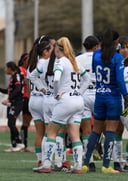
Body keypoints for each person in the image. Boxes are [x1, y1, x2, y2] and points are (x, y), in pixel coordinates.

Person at [33, 36, 90, 174]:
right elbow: (87, 79)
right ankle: (78, 166)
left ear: (58, 49)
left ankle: (46, 165)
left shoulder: (60, 61)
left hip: (65, 102)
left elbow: (57, 79)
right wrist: (79, 92)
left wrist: (57, 93)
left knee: (51, 132)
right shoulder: (74, 61)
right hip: (78, 102)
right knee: (75, 135)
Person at [83, 29, 128, 174]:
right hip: (113, 97)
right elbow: (120, 80)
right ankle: (106, 165)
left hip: (99, 96)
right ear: (116, 42)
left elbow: (94, 71)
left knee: (95, 130)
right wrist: (126, 96)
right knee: (111, 130)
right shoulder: (117, 58)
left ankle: (85, 163)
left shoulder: (96, 55)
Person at [27, 35, 52, 166]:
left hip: (33, 100)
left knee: (39, 133)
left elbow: (28, 82)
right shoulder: (46, 63)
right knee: (50, 133)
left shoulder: (31, 63)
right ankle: (49, 160)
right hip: (44, 100)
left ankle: (39, 159)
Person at [76, 35, 99, 172]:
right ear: (96, 46)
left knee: (86, 130)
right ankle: (113, 161)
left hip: (83, 96)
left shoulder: (78, 59)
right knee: (105, 128)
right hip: (99, 95)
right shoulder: (102, 58)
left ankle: (89, 161)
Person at [113, 36, 128, 171]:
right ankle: (116, 159)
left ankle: (125, 159)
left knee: (122, 129)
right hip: (116, 99)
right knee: (117, 129)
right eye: (123, 47)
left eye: (127, 47)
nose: (125, 50)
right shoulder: (116, 61)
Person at [0, 61, 25, 152]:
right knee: (11, 123)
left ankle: (20, 143)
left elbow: (18, 90)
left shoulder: (17, 76)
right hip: (13, 103)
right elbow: (9, 91)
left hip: (17, 102)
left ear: (10, 68)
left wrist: (9, 99)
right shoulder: (12, 78)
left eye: (6, 68)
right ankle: (14, 145)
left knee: (11, 123)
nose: (5, 69)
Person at [18, 53, 33, 152]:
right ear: (23, 60)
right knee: (25, 122)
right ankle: (23, 144)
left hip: (30, 98)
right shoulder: (21, 70)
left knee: (27, 122)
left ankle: (23, 143)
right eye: (28, 59)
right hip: (25, 98)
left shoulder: (29, 70)